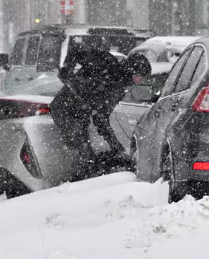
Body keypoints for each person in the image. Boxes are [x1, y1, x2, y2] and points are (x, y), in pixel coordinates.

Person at [51, 45, 152, 179]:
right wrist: (67, 68)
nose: (139, 81)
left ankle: (83, 179)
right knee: (83, 151)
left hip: (80, 116)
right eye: (139, 76)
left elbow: (101, 119)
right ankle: (74, 181)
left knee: (87, 156)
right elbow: (75, 51)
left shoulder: (118, 91)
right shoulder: (106, 61)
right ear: (131, 70)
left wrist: (115, 145)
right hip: (64, 108)